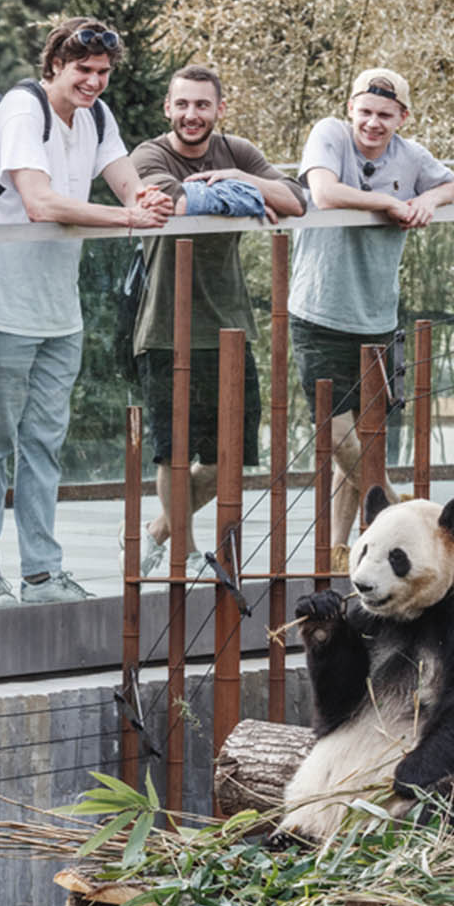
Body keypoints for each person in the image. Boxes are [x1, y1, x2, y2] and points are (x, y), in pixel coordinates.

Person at [0, 16, 172, 607]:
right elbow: (40, 201)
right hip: (6, 300)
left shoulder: (97, 116)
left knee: (45, 441)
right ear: (54, 65)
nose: (94, 82)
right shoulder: (24, 111)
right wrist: (130, 217)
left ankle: (40, 571)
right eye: (83, 70)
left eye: (103, 73)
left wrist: (147, 198)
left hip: (61, 305)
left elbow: (127, 183)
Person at [129, 65, 305, 575]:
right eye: (182, 104)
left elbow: (294, 200)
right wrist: (251, 200)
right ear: (168, 107)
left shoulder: (238, 152)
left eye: (202, 105)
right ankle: (182, 555)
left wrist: (238, 179)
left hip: (230, 325)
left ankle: (161, 531)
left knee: (232, 456)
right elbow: (181, 203)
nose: (191, 115)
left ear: (219, 109)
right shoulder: (149, 154)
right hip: (165, 324)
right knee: (173, 454)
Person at [289, 67, 454, 565]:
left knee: (362, 441)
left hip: (377, 318)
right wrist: (388, 202)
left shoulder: (410, 155)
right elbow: (324, 193)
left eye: (385, 115)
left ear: (402, 117)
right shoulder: (329, 134)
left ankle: (340, 548)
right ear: (350, 109)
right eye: (365, 111)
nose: (372, 123)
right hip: (319, 311)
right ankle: (400, 505)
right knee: (340, 437)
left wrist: (427, 198)